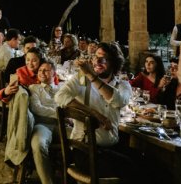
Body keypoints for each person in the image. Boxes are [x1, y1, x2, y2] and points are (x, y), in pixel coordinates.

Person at [54, 42, 136, 183]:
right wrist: (96, 114)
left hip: (112, 147)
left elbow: (118, 101)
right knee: (133, 168)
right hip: (85, 151)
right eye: (95, 57)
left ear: (114, 63)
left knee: (149, 163)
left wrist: (92, 76)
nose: (97, 61)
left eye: (103, 58)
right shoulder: (81, 80)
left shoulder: (123, 85)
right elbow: (60, 97)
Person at [29, 60, 62, 184]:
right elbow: (37, 108)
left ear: (54, 73)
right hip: (42, 125)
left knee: (84, 139)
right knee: (38, 144)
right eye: (40, 70)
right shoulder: (34, 88)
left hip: (61, 126)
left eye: (46, 70)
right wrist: (60, 113)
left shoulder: (62, 89)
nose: (42, 72)